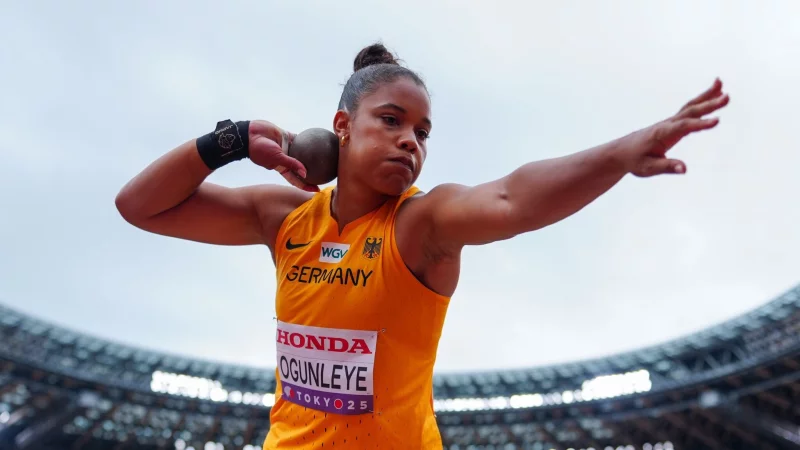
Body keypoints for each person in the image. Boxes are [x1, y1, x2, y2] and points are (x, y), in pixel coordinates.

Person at [115, 43, 729, 449]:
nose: (411, 141)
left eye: (422, 131)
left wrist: (620, 154)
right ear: (342, 126)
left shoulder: (420, 226)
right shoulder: (285, 218)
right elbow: (139, 206)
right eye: (391, 120)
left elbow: (514, 198)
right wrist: (232, 140)